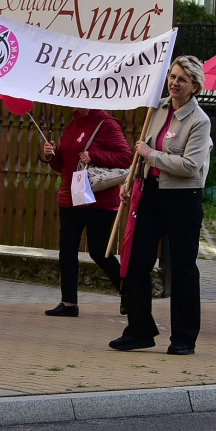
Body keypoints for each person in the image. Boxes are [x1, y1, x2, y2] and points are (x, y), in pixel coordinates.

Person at [109, 55, 211, 356]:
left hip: (183, 199)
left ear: (195, 86)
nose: (174, 82)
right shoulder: (158, 108)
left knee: (182, 268)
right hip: (151, 194)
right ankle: (140, 329)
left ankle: (184, 337)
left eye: (182, 79)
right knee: (138, 262)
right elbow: (142, 152)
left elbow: (190, 166)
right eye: (172, 76)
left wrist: (151, 155)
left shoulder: (199, 121)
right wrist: (132, 182)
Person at [39, 108, 133, 317]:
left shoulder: (106, 123)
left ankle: (130, 293)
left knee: (99, 252)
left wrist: (94, 155)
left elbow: (127, 158)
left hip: (99, 200)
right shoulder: (73, 123)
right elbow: (64, 166)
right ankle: (69, 303)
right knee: (67, 250)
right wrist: (50, 155)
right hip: (71, 198)